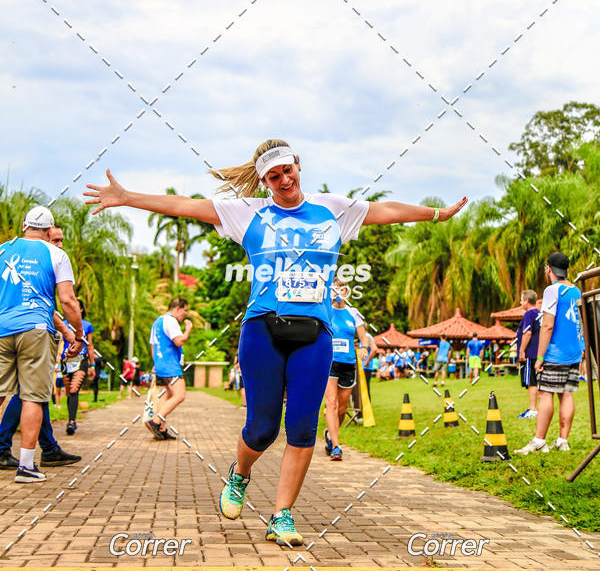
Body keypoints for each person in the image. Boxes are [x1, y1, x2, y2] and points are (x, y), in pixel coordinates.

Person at [84, 139, 467, 545]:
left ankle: (282, 515)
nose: (284, 180)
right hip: (263, 329)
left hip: (315, 333)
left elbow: (385, 212)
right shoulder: (248, 212)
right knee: (262, 428)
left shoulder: (332, 209)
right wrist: (127, 198)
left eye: (288, 170)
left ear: (298, 165)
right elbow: (183, 205)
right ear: (264, 181)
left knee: (302, 426)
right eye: (274, 176)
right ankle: (239, 475)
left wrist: (436, 214)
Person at [0, 206, 83, 481]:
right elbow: (68, 301)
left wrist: (66, 331)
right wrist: (78, 332)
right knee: (32, 396)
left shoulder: (2, 250)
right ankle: (26, 466)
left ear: (24, 225)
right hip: (36, 331)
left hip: (2, 329)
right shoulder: (56, 254)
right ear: (50, 231)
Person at [515, 252, 584, 455]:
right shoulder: (576, 291)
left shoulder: (552, 291)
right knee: (566, 394)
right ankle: (563, 440)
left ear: (548, 269)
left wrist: (540, 357)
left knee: (545, 393)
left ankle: (539, 441)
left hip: (555, 352)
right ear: (568, 270)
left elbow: (547, 325)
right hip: (574, 352)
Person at [323, 281, 374, 461]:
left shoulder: (353, 313)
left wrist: (364, 348)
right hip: (329, 362)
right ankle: (336, 446)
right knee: (332, 403)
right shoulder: (325, 310)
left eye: (341, 289)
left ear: (346, 292)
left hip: (348, 363)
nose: (338, 292)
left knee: (342, 408)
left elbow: (363, 337)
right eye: (335, 288)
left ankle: (329, 434)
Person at [147, 297, 193, 440]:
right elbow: (179, 341)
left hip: (160, 365)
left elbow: (153, 345)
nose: (185, 314)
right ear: (178, 308)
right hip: (170, 366)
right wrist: (188, 330)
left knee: (165, 396)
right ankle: (155, 421)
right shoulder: (171, 321)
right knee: (180, 395)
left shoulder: (157, 322)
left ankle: (161, 429)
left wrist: (156, 363)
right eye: (184, 310)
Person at [62, 298, 95, 435]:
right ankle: (71, 418)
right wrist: (58, 359)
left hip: (81, 359)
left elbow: (90, 346)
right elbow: (59, 343)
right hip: (65, 360)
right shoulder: (63, 324)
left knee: (75, 389)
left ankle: (71, 421)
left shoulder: (87, 325)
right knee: (69, 391)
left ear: (81, 309)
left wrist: (92, 365)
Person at [516, 289, 541, 418]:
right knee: (538, 381)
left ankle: (533, 409)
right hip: (540, 353)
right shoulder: (539, 313)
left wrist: (521, 350)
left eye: (521, 299)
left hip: (531, 353)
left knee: (531, 381)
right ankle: (538, 408)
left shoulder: (528, 314)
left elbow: (528, 332)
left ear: (526, 300)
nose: (520, 302)